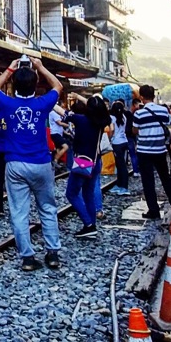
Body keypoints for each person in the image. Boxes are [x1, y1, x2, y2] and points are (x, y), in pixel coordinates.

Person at [0, 56, 64, 272]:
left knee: (19, 212)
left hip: (15, 164)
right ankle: (52, 254)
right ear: (35, 84)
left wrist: (10, 69)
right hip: (41, 162)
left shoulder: (8, 103)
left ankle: (28, 258)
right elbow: (57, 86)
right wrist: (41, 66)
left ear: (15, 85)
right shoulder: (42, 103)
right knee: (47, 208)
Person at [132, 85, 171, 220]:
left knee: (148, 181)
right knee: (166, 178)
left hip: (144, 151)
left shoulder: (139, 113)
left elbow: (135, 130)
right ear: (154, 96)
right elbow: (168, 124)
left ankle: (153, 211)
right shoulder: (163, 111)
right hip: (160, 150)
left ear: (141, 97)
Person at [65, 95, 110, 239]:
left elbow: (63, 113)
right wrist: (81, 97)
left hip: (83, 162)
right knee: (88, 194)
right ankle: (92, 227)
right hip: (96, 161)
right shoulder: (102, 121)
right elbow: (97, 108)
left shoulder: (80, 119)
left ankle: (88, 224)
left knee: (71, 193)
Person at [109, 100, 131, 195]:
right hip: (124, 142)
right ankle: (119, 185)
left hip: (116, 143)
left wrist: (109, 138)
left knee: (121, 165)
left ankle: (124, 187)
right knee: (121, 165)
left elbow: (112, 130)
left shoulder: (112, 118)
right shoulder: (124, 117)